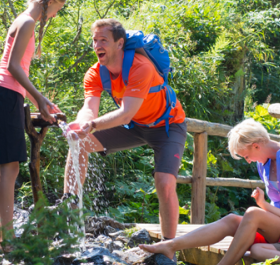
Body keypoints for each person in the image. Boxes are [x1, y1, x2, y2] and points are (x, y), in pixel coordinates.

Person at [63, 18, 187, 241]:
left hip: (167, 126)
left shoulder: (141, 67)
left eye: (103, 40)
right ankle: (69, 211)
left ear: (119, 44)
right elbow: (89, 108)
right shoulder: (94, 73)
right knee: (78, 142)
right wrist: (80, 125)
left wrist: (92, 126)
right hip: (134, 126)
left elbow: (125, 113)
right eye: (94, 40)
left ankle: (168, 249)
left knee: (165, 183)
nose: (97, 45)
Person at [140, 118, 280, 265]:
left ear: (256, 145)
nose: (248, 160)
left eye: (246, 155)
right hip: (278, 227)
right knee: (232, 220)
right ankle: (171, 245)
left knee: (253, 213)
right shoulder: (263, 164)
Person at [0, 0, 66, 251]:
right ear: (50, 2)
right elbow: (12, 68)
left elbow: (18, 73)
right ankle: (6, 240)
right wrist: (40, 98)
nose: (55, 16)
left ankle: (1, 238)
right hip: (5, 96)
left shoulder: (23, 20)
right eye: (57, 11)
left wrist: (42, 103)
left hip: (6, 96)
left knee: (7, 167)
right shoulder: (28, 22)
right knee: (10, 168)